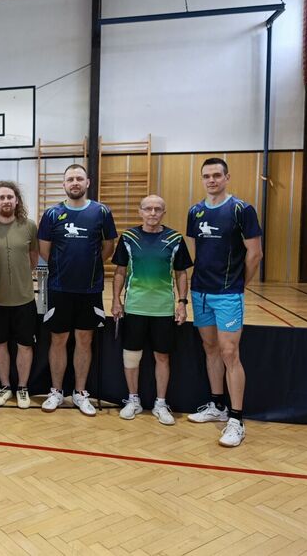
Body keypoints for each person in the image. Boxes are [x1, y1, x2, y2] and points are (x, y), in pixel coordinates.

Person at [186, 158, 262, 447]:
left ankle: (236, 420)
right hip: (200, 292)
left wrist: (239, 285)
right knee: (211, 348)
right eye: (207, 176)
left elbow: (255, 254)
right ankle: (217, 405)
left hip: (228, 294)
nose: (212, 180)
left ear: (227, 177)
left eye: (217, 175)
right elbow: (195, 251)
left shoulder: (242, 209)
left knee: (230, 353)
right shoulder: (195, 211)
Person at [37, 164, 117, 416]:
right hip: (59, 288)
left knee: (84, 340)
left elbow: (108, 247)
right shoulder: (52, 214)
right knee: (58, 339)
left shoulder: (101, 212)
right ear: (64, 184)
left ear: (87, 182)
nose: (75, 183)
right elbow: (44, 250)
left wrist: (90, 266)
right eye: (70, 179)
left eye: (79, 178)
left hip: (89, 290)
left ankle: (80, 392)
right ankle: (56, 391)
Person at [111, 195, 192, 425]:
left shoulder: (175, 238)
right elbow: (120, 271)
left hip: (163, 309)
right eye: (148, 209)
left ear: (164, 213)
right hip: (135, 306)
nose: (153, 213)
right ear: (140, 212)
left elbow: (181, 273)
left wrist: (182, 303)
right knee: (131, 355)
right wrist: (116, 300)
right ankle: (133, 400)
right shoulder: (128, 237)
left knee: (162, 356)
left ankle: (160, 403)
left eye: (158, 209)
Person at [0, 181, 39, 409]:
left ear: (17, 201)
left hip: (24, 300)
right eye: (1, 197)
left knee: (25, 345)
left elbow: (33, 259)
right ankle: (5, 386)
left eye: (10, 197)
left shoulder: (29, 226)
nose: (6, 201)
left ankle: (22, 387)